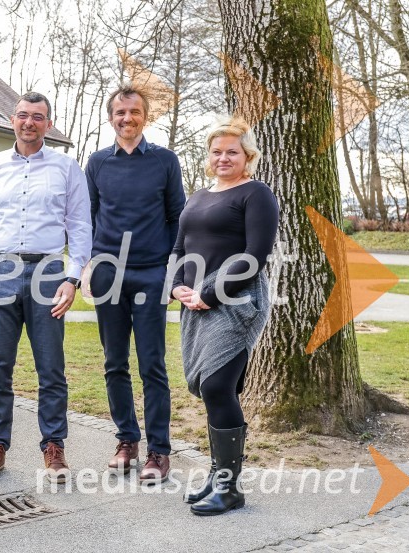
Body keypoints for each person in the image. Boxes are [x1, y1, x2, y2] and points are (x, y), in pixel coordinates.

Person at [0, 91, 92, 483]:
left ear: (48, 124)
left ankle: (54, 447)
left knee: (51, 367)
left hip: (49, 273)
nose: (29, 122)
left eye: (37, 117)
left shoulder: (66, 168)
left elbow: (80, 224)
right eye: (22, 115)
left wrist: (72, 278)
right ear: (12, 119)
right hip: (0, 271)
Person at [171, 116, 278, 515]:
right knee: (211, 387)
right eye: (216, 151)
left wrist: (210, 294)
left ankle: (229, 487)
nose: (223, 158)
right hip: (194, 302)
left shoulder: (256, 194)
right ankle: (218, 476)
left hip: (236, 302)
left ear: (247, 156)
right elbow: (179, 248)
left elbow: (256, 254)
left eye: (232, 151)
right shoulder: (197, 197)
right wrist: (176, 286)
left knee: (218, 386)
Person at [84, 83, 186, 482]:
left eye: (134, 112)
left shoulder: (165, 161)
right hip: (108, 273)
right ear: (111, 118)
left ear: (145, 116)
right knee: (114, 363)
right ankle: (127, 440)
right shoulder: (97, 163)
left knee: (152, 364)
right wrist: (93, 264)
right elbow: (88, 217)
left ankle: (159, 451)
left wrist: (171, 272)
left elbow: (177, 218)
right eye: (120, 112)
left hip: (151, 273)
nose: (127, 118)